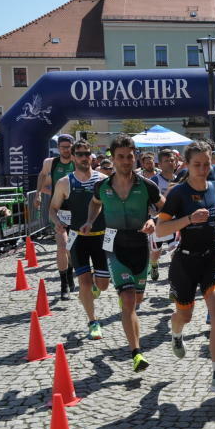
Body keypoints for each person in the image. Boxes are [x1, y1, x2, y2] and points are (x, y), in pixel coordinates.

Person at [156, 142, 215, 395]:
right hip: (185, 262)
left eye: (206, 164)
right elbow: (161, 230)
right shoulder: (178, 194)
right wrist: (189, 219)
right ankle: (176, 332)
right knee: (185, 315)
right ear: (187, 165)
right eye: (197, 165)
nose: (202, 169)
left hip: (212, 258)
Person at [81, 134, 164, 372]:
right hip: (114, 245)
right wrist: (89, 220)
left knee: (136, 300)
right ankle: (136, 352)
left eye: (130, 156)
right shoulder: (103, 186)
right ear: (112, 158)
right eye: (121, 157)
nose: (126, 161)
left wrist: (154, 220)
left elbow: (166, 208)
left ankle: (110, 285)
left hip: (140, 246)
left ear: (135, 157)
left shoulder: (147, 186)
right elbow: (95, 203)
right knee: (128, 301)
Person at [49, 140, 110, 340]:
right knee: (83, 282)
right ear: (73, 157)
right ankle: (93, 321)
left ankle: (93, 287)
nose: (85, 157)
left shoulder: (102, 179)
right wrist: (57, 222)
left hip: (101, 237)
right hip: (77, 237)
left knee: (102, 285)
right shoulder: (65, 182)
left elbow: (110, 207)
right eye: (81, 154)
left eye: (88, 153)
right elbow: (53, 208)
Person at [35, 134, 76, 300]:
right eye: (63, 147)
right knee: (62, 245)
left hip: (77, 210)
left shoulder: (78, 161)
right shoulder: (50, 162)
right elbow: (42, 175)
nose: (66, 150)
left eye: (69, 147)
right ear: (58, 147)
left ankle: (70, 274)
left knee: (71, 248)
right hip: (59, 209)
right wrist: (38, 193)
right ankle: (63, 285)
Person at [148, 149, 176, 281]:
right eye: (167, 161)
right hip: (158, 221)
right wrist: (153, 214)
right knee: (155, 252)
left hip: (175, 221)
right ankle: (153, 265)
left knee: (175, 250)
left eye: (172, 160)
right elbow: (147, 201)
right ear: (160, 164)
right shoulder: (155, 180)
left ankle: (175, 279)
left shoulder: (180, 178)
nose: (170, 163)